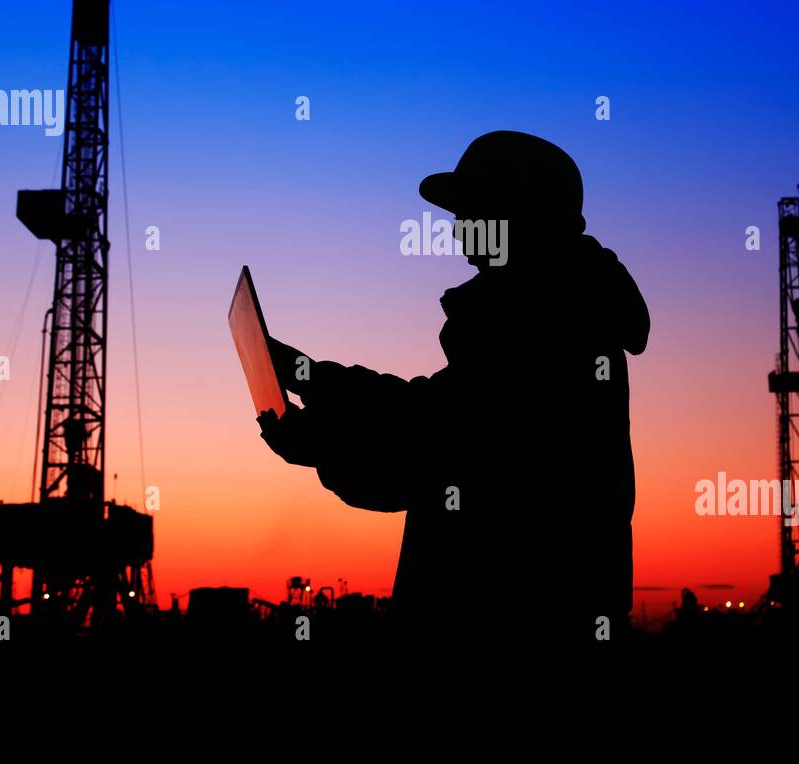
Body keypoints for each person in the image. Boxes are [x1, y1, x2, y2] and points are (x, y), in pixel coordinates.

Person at [258, 130, 650, 645]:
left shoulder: (549, 323)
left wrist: (322, 444)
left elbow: (437, 447)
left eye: (471, 214)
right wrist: (309, 377)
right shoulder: (552, 309)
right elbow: (437, 424)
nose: (460, 233)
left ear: (518, 216)